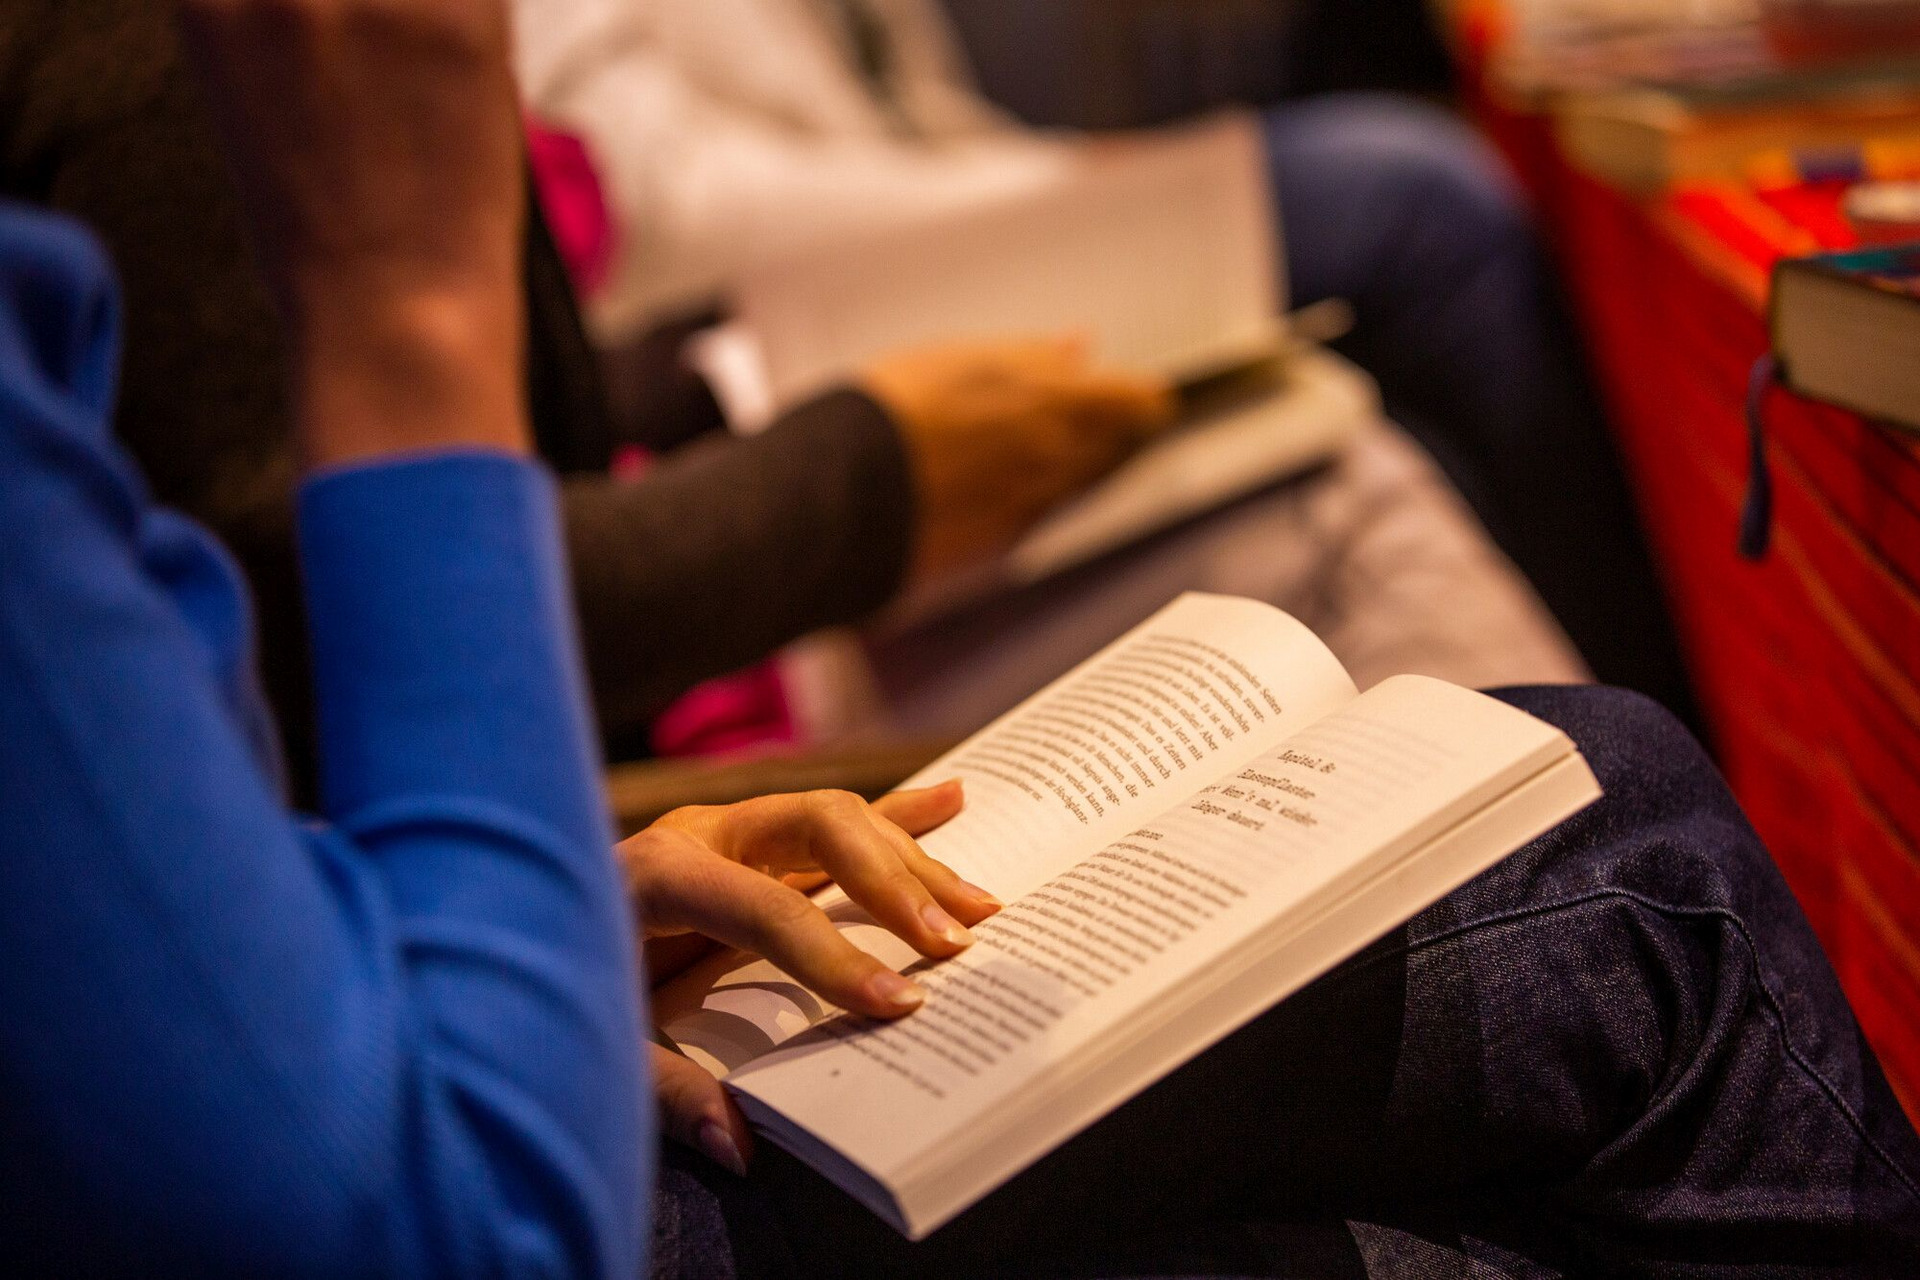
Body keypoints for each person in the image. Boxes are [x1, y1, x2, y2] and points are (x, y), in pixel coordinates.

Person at [4, 1, 1917, 1276]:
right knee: (1624, 851)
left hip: (435, 1012)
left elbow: (142, 878)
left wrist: (541, 893)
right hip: (515, 1176)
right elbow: (413, 1221)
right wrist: (399, 308)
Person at [0, 0, 1588, 795]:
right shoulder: (187, 52)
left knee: (1343, 458)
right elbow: (330, 609)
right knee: (1370, 422)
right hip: (589, 777)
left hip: (590, 716)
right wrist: (866, 479)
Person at [513, 0, 1701, 730]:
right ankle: (1664, 772)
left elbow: (903, 109)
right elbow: (653, 211)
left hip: (875, 286)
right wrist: (1059, 193)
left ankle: (1644, 785)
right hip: (776, 348)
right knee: (1413, 207)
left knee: (1356, 436)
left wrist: (1055, 178)